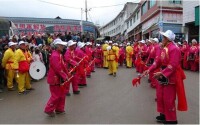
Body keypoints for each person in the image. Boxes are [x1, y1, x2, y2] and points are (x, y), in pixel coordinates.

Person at [143, 30, 187, 124]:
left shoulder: (174, 49)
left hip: (170, 77)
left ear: (168, 39)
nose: (162, 39)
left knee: (168, 99)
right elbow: (157, 61)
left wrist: (161, 73)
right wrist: (149, 69)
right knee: (160, 96)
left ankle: (171, 119)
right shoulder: (164, 47)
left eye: (164, 37)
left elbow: (173, 65)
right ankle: (163, 114)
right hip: (163, 74)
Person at [44, 39, 68, 117]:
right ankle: (48, 110)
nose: (63, 47)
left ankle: (59, 109)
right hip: (55, 79)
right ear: (57, 46)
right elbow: (58, 68)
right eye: (61, 45)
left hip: (59, 78)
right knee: (56, 95)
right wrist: (65, 76)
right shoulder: (55, 55)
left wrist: (67, 74)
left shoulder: (59, 54)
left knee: (62, 94)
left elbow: (63, 66)